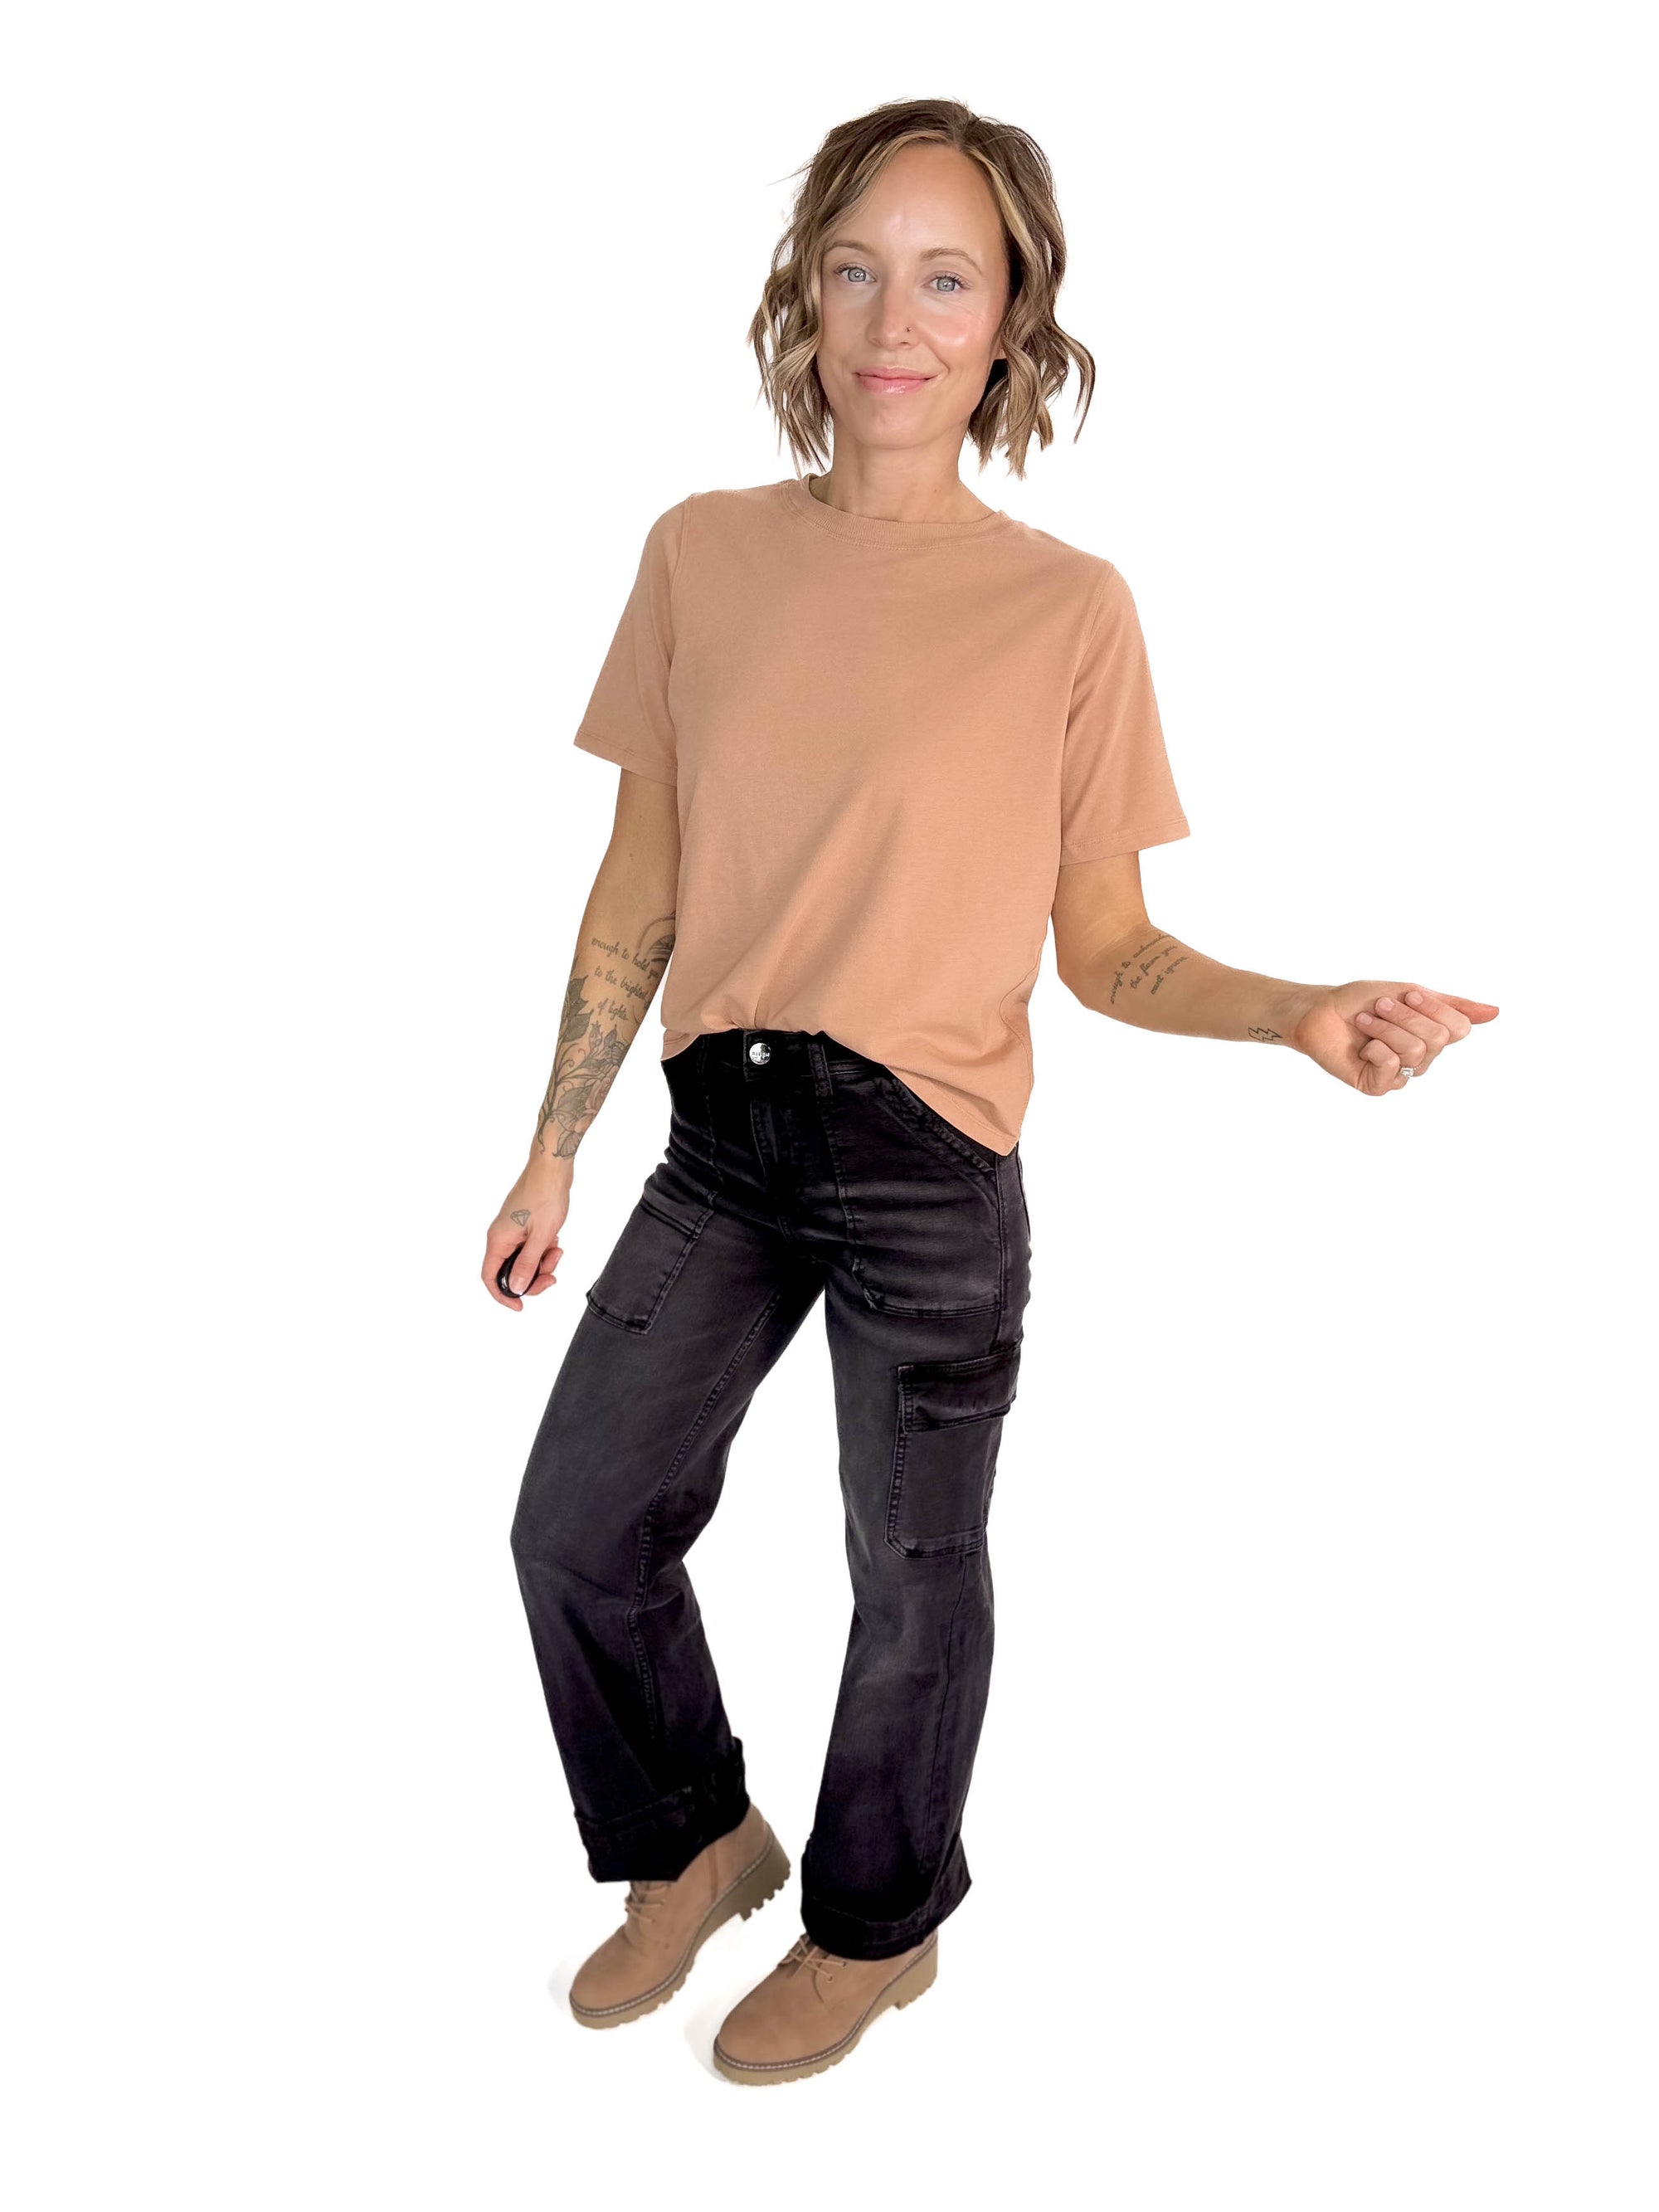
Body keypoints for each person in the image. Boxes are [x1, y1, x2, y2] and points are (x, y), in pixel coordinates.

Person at [484, 96, 1498, 2088]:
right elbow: (640, 881)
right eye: (857, 267)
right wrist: (549, 1149)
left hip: (926, 1159)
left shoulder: (1067, 608)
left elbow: (1110, 952)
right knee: (576, 1524)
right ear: (805, 291)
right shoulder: (698, 554)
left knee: (912, 1575)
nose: (896, 319)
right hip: (720, 1134)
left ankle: (879, 1927)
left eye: (947, 277)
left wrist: (1300, 1009)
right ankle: (693, 1840)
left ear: (1013, 316)